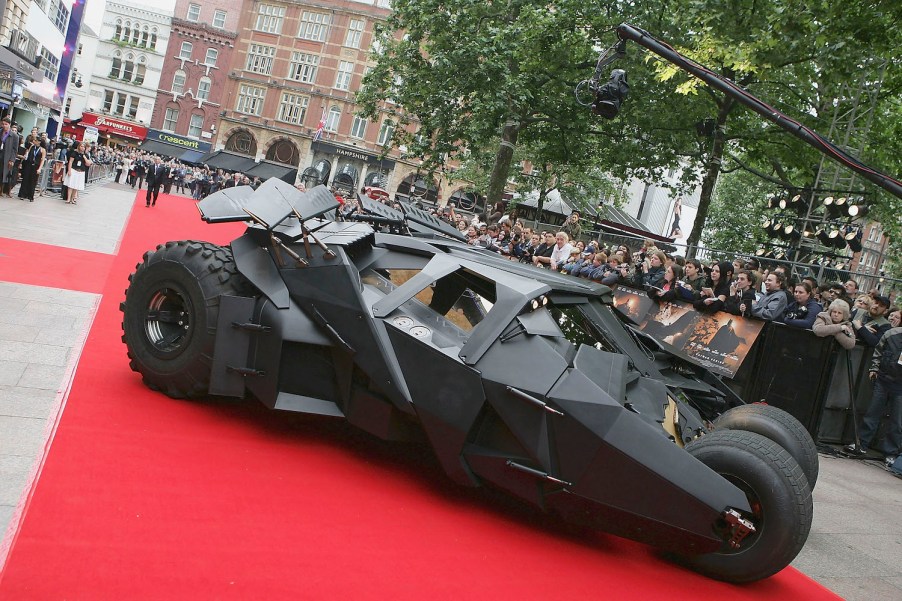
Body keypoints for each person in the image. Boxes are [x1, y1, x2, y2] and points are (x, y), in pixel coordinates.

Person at [844, 322, 902, 465]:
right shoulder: (892, 334)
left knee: (897, 421)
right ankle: (862, 444)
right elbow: (878, 351)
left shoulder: (892, 333)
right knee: (872, 413)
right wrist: (874, 368)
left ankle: (891, 453)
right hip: (884, 379)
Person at [17, 134, 45, 202]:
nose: (34, 141)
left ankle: (30, 196)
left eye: (35, 140)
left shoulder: (42, 150)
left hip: (36, 166)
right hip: (28, 164)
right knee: (25, 179)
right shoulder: (32, 146)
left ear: (39, 142)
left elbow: (42, 160)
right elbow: (27, 154)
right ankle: (22, 194)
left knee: (33, 181)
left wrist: (39, 168)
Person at [0, 117, 20, 197]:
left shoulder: (14, 136)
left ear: (9, 125)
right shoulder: (0, 132)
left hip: (6, 156)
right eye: (3, 124)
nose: (4, 126)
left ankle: (2, 190)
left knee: (4, 173)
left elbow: (15, 149)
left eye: (6, 124)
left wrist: (12, 159)